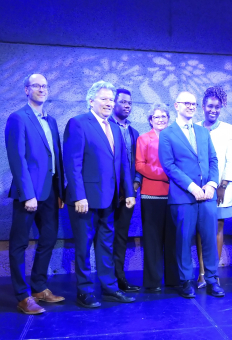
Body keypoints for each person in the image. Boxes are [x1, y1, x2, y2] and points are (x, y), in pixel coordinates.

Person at [64, 80, 136, 307]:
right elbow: (72, 163)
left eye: (111, 99)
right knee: (84, 247)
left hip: (110, 199)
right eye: (104, 99)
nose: (108, 103)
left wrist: (128, 192)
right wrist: (79, 196)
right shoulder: (78, 123)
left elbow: (123, 163)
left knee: (106, 246)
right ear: (91, 100)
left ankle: (110, 288)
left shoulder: (114, 126)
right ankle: (84, 291)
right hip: (85, 200)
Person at [5, 73, 65, 314]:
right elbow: (17, 159)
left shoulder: (50, 121)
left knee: (49, 238)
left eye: (45, 86)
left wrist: (60, 190)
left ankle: (39, 287)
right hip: (28, 192)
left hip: (50, 191)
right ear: (26, 90)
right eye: (37, 86)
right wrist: (27, 193)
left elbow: (56, 158)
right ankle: (22, 295)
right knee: (19, 243)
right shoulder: (18, 118)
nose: (42, 89)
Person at [158, 91, 225, 298]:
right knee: (184, 240)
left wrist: (212, 184)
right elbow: (168, 165)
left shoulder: (203, 131)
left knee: (209, 239)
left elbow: (213, 160)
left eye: (194, 104)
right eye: (186, 103)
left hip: (207, 195)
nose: (191, 106)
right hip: (183, 197)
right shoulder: (167, 133)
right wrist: (191, 186)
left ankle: (212, 279)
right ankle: (186, 280)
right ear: (176, 105)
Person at [195, 86, 232, 289]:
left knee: (217, 229)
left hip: (221, 189)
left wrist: (222, 185)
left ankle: (214, 272)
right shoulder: (194, 127)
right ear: (203, 106)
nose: (214, 110)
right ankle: (202, 272)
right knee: (201, 230)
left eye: (218, 107)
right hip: (199, 189)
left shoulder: (228, 129)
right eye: (210, 106)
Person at [135, 104, 179, 292]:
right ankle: (152, 282)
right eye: (156, 116)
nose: (160, 119)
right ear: (150, 120)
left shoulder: (175, 139)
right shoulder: (143, 139)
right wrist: (166, 173)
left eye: (163, 116)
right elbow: (140, 165)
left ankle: (173, 280)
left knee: (172, 239)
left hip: (173, 195)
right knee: (152, 240)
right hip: (151, 194)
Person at [108, 88, 141, 293]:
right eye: (122, 102)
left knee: (121, 236)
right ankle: (106, 280)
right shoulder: (105, 127)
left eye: (129, 102)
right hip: (107, 193)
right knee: (103, 236)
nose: (127, 105)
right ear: (113, 103)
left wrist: (135, 185)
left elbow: (138, 162)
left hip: (127, 194)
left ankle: (119, 278)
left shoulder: (133, 132)